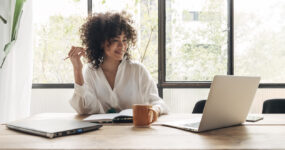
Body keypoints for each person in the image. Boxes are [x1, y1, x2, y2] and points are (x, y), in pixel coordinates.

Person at [68, 11, 168, 121]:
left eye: (124, 40)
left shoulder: (138, 70)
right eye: (115, 40)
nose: (122, 46)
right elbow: (83, 109)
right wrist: (77, 69)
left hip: (135, 133)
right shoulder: (90, 71)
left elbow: (158, 103)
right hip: (102, 134)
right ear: (101, 42)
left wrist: (154, 112)